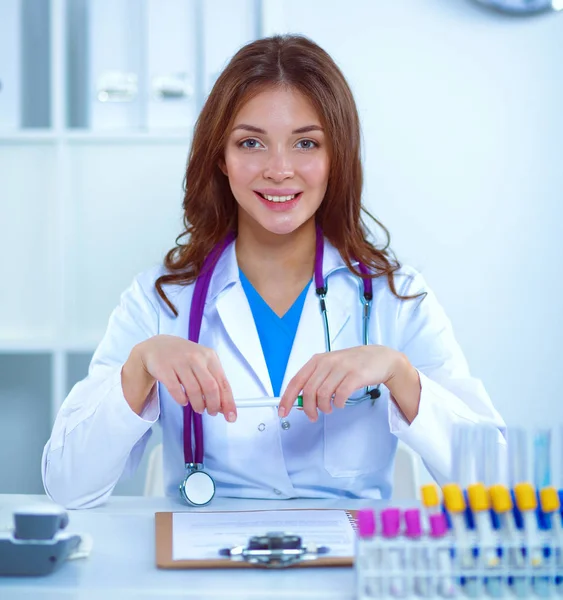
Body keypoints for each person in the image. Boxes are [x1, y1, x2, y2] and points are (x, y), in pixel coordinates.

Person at [42, 34, 505, 509]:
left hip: (345, 577)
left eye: (306, 143)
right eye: (251, 143)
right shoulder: (161, 299)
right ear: (220, 157)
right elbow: (68, 485)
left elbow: (496, 482)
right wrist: (138, 370)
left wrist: (400, 375)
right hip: (207, 578)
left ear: (336, 157)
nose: (279, 170)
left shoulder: (394, 295)